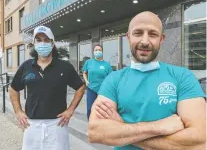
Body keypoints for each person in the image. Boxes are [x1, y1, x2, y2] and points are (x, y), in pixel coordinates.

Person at [88, 11, 206, 150]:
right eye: (138, 33)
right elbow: (95, 132)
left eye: (152, 34)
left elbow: (200, 140)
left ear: (161, 39)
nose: (145, 41)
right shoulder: (113, 79)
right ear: (128, 37)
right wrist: (158, 127)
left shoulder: (182, 77)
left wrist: (123, 128)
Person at [9, 26, 85, 150]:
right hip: (31, 125)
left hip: (57, 126)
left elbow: (80, 87)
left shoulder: (64, 66)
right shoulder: (26, 66)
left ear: (52, 43)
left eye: (46, 39)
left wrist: (70, 110)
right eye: (38, 40)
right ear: (34, 43)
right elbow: (13, 89)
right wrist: (18, 111)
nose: (42, 43)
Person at [82, 45, 112, 119]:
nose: (97, 51)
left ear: (102, 52)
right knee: (90, 109)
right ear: (93, 52)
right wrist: (86, 81)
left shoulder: (107, 65)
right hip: (91, 89)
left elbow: (111, 78)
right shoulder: (89, 62)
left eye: (99, 50)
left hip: (103, 91)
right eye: (96, 50)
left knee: (101, 110)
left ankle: (100, 125)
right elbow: (84, 72)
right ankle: (91, 124)